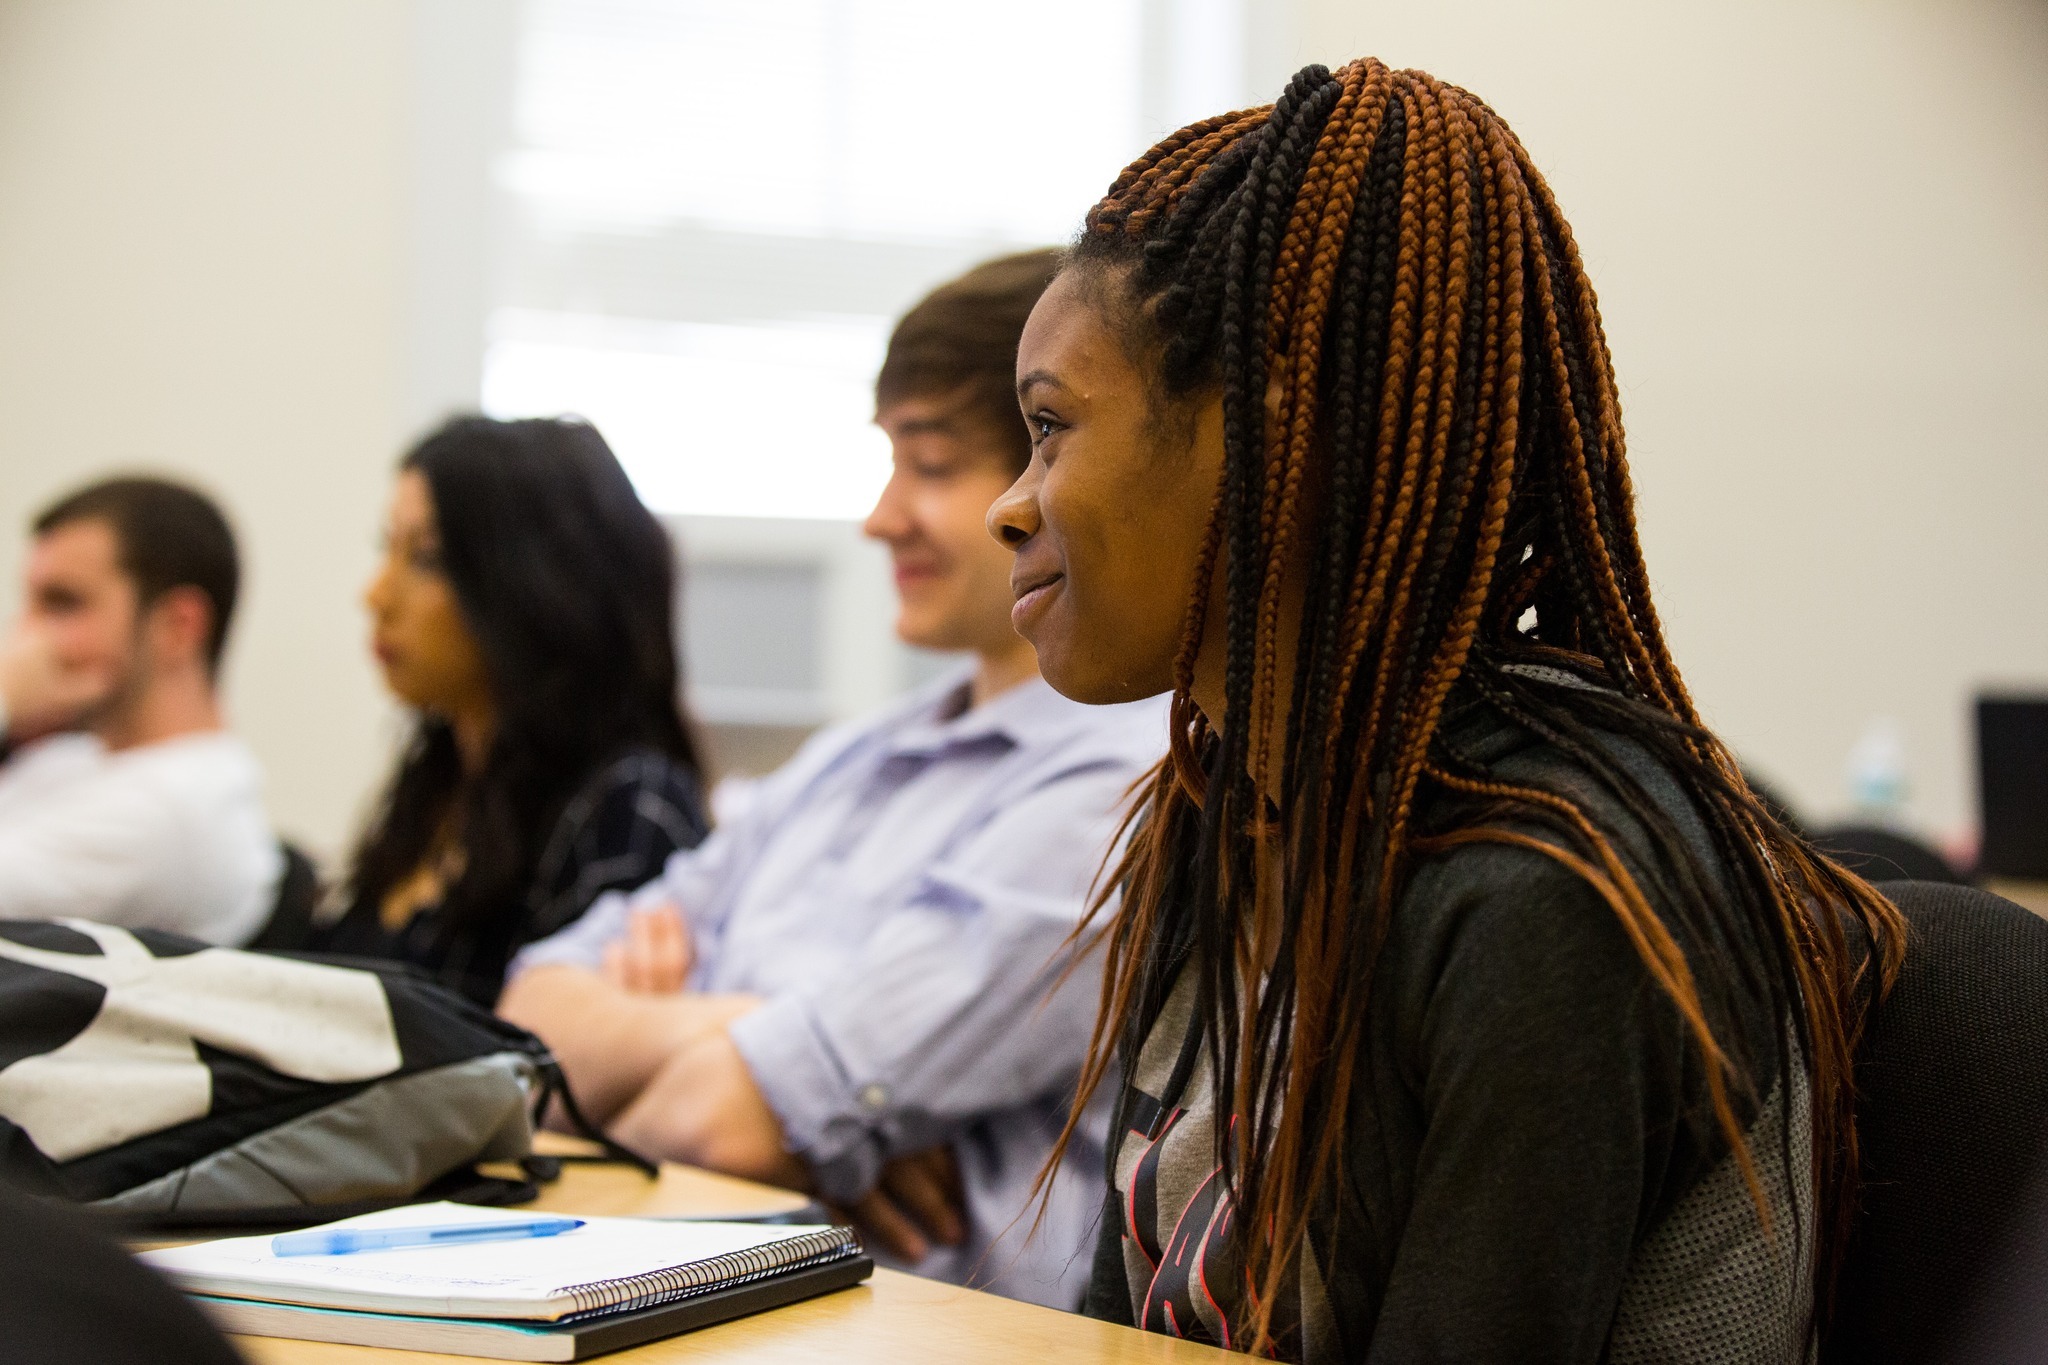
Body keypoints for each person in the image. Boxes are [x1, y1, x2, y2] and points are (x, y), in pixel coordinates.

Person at [987, 60, 1906, 1360]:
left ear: (1273, 441)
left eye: (1048, 428)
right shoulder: (1230, 813)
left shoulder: (1542, 890)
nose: (1008, 504)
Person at [498, 250, 1166, 1309]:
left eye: (931, 466)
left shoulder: (1125, 779)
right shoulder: (853, 757)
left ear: (1042, 482)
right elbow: (526, 1021)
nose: (878, 517)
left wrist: (752, 1086)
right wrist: (779, 1043)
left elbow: (707, 1122)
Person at [312, 416, 710, 1007]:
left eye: (425, 558)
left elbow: (561, 1076)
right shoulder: (439, 779)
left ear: (533, 585)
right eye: (386, 550)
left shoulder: (628, 810)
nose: (375, 594)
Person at [0, 477, 278, 943]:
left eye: (63, 604)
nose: (24, 638)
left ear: (177, 626)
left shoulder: (173, 812)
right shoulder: (73, 758)